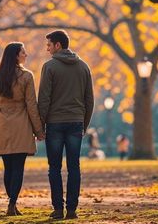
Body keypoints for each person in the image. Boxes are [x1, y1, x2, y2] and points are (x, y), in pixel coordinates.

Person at [38, 30, 94, 220]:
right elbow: (89, 100)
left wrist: (40, 125)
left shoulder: (50, 67)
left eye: (49, 45)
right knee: (74, 167)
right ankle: (72, 209)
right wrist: (83, 124)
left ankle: (58, 209)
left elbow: (44, 99)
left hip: (54, 123)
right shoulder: (84, 66)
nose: (47, 49)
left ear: (58, 45)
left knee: (54, 167)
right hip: (76, 122)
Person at [0, 42, 46, 216]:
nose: (26, 55)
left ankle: (11, 203)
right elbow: (31, 106)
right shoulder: (26, 76)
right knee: (18, 167)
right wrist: (38, 130)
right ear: (16, 56)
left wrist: (0, 120)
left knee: (8, 167)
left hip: (3, 126)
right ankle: (12, 203)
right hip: (21, 126)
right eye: (23, 52)